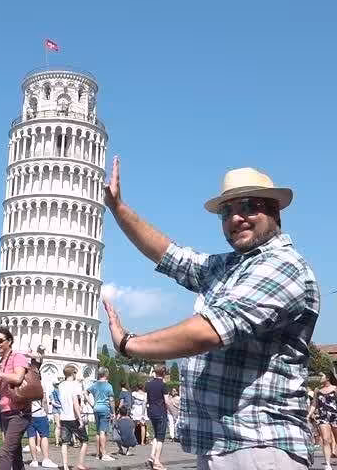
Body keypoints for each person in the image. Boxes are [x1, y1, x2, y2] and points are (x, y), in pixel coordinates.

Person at [102, 161, 319, 469]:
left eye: (249, 206)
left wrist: (128, 344)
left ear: (275, 211)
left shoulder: (283, 266)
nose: (236, 218)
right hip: (221, 446)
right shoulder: (230, 267)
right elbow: (170, 255)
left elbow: (208, 331)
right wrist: (119, 208)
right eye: (226, 211)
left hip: (259, 445)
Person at [0, 327, 30, 470]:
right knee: (15, 454)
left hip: (19, 413)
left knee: (6, 453)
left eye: (0, 340)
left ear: (10, 341)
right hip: (6, 411)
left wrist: (1, 374)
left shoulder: (17, 357)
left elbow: (18, 378)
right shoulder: (1, 361)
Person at [57, 366, 88, 470]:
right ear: (73, 373)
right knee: (84, 440)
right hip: (73, 417)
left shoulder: (60, 385)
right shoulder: (76, 385)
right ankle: (80, 463)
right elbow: (75, 403)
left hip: (63, 416)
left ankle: (65, 466)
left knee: (64, 442)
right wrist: (80, 418)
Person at [307, 370, 337, 469]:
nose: (318, 378)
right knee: (325, 439)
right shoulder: (317, 390)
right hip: (323, 417)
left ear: (327, 378)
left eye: (320, 376)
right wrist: (309, 414)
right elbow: (314, 404)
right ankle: (328, 464)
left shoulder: (335, 389)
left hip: (335, 416)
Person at [85, 367, 115, 461]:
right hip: (104, 408)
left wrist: (92, 404)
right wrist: (113, 412)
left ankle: (98, 454)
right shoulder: (108, 386)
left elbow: (85, 393)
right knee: (103, 431)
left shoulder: (94, 385)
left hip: (96, 408)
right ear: (106, 374)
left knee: (98, 432)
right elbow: (111, 400)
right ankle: (104, 453)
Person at [145, 366, 169, 469]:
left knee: (156, 435)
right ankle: (157, 461)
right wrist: (170, 411)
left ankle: (152, 456)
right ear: (163, 373)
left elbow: (147, 399)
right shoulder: (163, 385)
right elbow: (167, 401)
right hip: (161, 412)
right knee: (160, 438)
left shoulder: (148, 384)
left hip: (151, 412)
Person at [27, 390, 57, 468]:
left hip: (29, 414)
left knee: (31, 437)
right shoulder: (40, 387)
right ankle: (46, 459)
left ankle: (34, 460)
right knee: (44, 436)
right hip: (40, 414)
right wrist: (46, 412)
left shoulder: (26, 387)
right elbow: (44, 401)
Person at [49, 382, 62, 447]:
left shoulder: (62, 392)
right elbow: (53, 403)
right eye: (57, 384)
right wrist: (61, 405)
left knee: (63, 425)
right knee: (58, 425)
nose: (58, 385)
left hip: (61, 410)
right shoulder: (52, 393)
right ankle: (57, 441)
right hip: (56, 410)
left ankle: (63, 440)